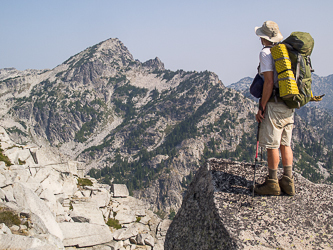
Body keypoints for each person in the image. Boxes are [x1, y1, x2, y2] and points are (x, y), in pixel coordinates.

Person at [253, 21, 295, 196]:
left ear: (264, 38)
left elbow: (269, 82)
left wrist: (262, 106)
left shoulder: (266, 53)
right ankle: (288, 180)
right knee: (285, 143)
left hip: (275, 103)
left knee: (272, 144)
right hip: (289, 102)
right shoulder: (286, 52)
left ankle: (272, 183)